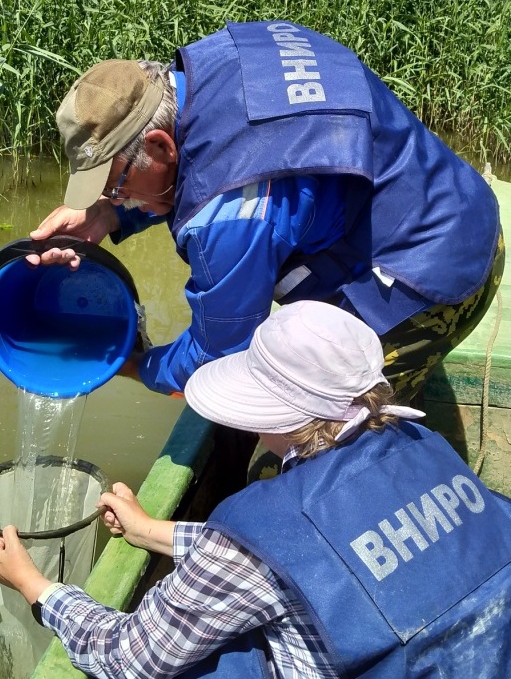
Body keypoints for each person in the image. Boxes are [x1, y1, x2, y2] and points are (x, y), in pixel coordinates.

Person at [1, 300, 511, 679]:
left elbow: (133, 657)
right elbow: (322, 553)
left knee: (206, 676)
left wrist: (35, 585)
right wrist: (154, 531)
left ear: (282, 416)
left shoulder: (265, 527)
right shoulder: (420, 445)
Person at [28, 21, 504, 399]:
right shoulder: (222, 58)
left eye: (115, 187)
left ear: (159, 145)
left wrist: (138, 365)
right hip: (461, 200)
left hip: (433, 282)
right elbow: (229, 162)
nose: (114, 198)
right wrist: (107, 216)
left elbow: (217, 352)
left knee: (295, 464)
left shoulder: (228, 220)